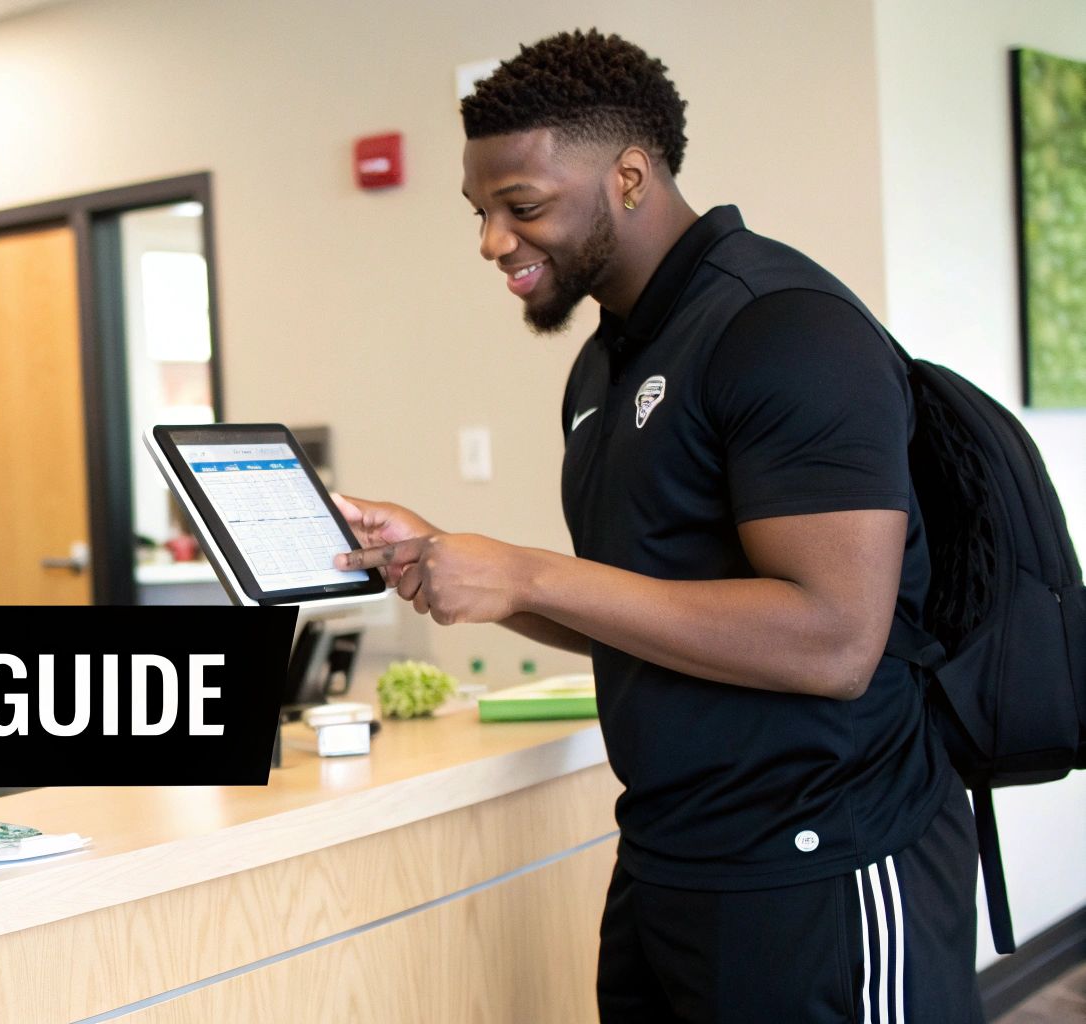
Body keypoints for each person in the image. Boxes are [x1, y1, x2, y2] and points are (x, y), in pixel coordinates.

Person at [333, 30, 983, 1024]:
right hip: (667, 861)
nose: (491, 241)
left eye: (523, 208)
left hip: (824, 863)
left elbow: (834, 638)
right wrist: (463, 568)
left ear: (629, 175)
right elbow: (642, 611)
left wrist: (529, 576)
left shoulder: (782, 326)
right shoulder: (603, 366)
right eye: (478, 213)